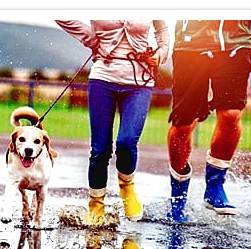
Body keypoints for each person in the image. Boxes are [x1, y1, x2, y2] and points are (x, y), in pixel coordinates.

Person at [55, 20, 169, 224]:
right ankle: (96, 205)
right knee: (100, 150)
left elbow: (162, 29)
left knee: (126, 142)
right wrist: (89, 38)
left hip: (139, 82)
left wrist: (162, 51)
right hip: (102, 79)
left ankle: (127, 187)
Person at [167, 20, 251, 223]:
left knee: (231, 114)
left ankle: (215, 186)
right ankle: (177, 197)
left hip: (236, 41)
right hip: (191, 43)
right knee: (184, 123)